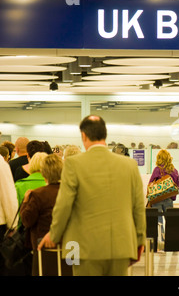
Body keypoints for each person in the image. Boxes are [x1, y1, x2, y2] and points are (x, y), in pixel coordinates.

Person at [38, 115, 146, 276]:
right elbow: (138, 207)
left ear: (83, 135)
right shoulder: (129, 165)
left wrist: (54, 234)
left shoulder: (73, 164)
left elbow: (64, 205)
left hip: (85, 248)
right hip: (121, 246)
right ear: (105, 134)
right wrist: (139, 240)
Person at [19, 154, 72, 276]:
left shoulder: (38, 195)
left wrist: (25, 202)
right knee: (71, 271)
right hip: (71, 244)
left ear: (44, 173)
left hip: (44, 244)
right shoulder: (72, 192)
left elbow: (27, 220)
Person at [148, 149, 179, 247]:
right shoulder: (174, 170)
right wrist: (172, 197)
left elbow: (150, 184)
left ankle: (161, 242)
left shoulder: (157, 169)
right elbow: (176, 186)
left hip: (157, 199)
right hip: (169, 198)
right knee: (171, 221)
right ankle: (172, 241)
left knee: (158, 221)